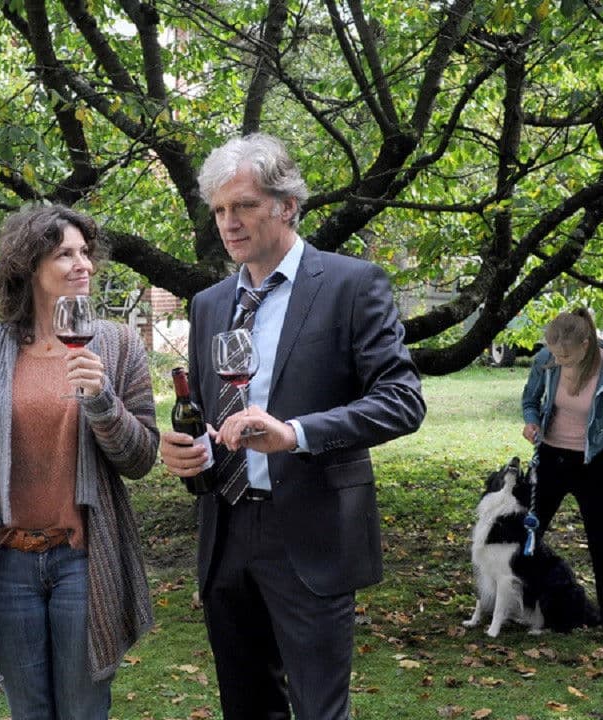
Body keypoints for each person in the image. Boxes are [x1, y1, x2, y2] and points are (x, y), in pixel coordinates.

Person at [158, 133, 426, 720]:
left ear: (287, 206)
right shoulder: (209, 304)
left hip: (310, 531)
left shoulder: (352, 285)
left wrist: (295, 434)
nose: (229, 223)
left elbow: (403, 400)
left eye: (244, 205)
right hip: (226, 531)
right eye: (220, 210)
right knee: (247, 708)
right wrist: (187, 450)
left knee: (319, 711)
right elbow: (204, 410)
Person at [0, 204, 158, 719]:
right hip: (9, 563)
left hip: (82, 560)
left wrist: (102, 401)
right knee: (28, 711)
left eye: (85, 252)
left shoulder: (117, 345)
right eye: (65, 254)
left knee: (83, 708)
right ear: (29, 266)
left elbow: (140, 458)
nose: (82, 264)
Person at [520, 307, 603, 641]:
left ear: (585, 345)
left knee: (600, 541)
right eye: (555, 354)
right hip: (550, 458)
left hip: (592, 463)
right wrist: (531, 422)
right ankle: (527, 606)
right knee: (528, 534)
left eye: (566, 356)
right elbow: (530, 399)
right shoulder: (546, 359)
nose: (559, 360)